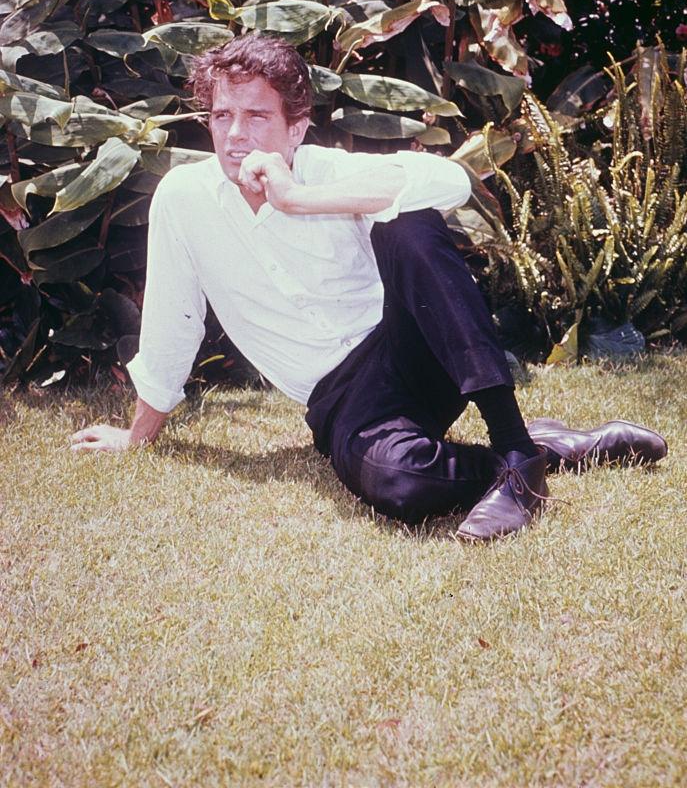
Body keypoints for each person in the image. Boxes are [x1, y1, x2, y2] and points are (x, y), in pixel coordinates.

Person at [70, 34, 667, 540]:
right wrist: (138, 435)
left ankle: (515, 451)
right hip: (343, 399)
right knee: (403, 484)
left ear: (296, 127)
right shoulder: (184, 198)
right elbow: (174, 319)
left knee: (408, 220)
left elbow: (449, 180)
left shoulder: (328, 171)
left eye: (256, 117)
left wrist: (297, 199)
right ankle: (554, 450)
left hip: (413, 345)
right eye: (223, 116)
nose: (235, 136)